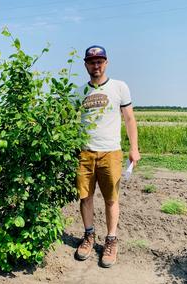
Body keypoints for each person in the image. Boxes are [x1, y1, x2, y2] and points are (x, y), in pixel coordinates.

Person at [74, 45, 140, 267]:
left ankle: (111, 240)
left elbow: (130, 119)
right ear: (86, 65)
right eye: (92, 62)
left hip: (111, 152)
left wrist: (134, 148)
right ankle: (89, 235)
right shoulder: (79, 92)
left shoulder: (119, 87)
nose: (96, 65)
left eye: (99, 61)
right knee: (85, 197)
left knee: (111, 199)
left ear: (106, 63)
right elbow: (66, 121)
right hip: (85, 152)